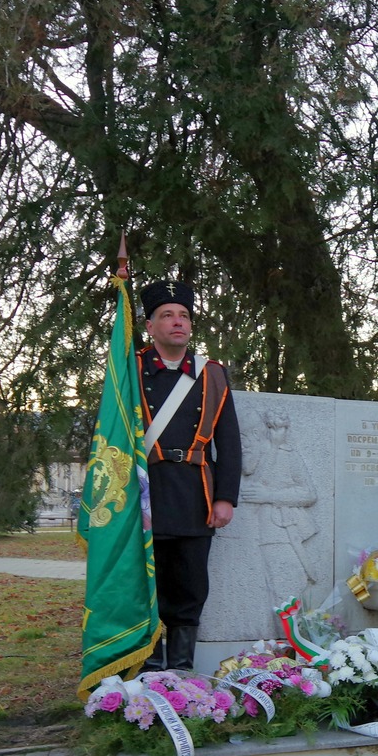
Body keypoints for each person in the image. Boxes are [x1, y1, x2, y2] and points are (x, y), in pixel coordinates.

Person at [137, 279, 241, 671]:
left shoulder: (211, 374)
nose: (177, 322)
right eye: (167, 315)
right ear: (151, 326)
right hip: (144, 494)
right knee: (145, 587)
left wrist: (225, 497)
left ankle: (180, 674)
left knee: (190, 588)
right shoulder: (129, 370)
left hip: (196, 495)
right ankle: (146, 671)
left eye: (183, 315)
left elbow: (228, 442)